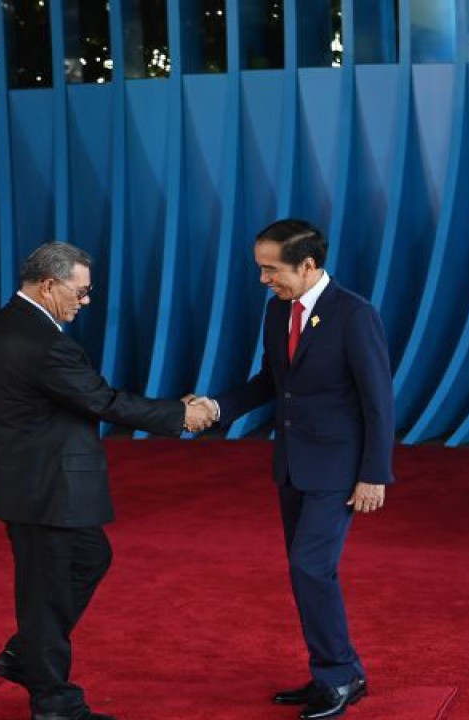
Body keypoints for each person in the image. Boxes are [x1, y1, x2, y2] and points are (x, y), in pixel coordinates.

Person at [0, 241, 215, 720]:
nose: (85, 303)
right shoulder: (45, 344)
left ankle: (26, 654)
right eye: (80, 293)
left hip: (25, 481)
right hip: (45, 488)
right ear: (47, 285)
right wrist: (182, 416)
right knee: (47, 592)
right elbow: (103, 401)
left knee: (88, 557)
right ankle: (54, 703)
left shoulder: (2, 324)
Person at [196, 219, 394, 720]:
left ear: (307, 266)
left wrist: (375, 473)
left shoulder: (354, 314)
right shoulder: (277, 309)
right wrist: (217, 408)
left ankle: (341, 676)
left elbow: (378, 402)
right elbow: (271, 381)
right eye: (260, 268)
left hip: (338, 470)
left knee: (311, 567)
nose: (264, 279)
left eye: (272, 269)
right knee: (306, 571)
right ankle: (334, 671)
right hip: (292, 465)